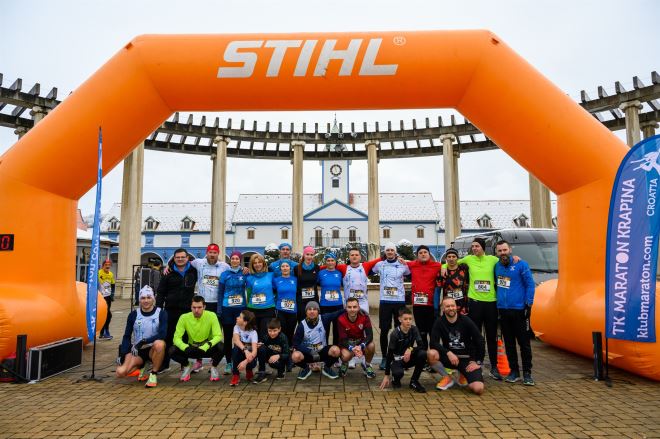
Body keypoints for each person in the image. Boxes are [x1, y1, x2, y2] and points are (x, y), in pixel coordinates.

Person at [443, 237, 502, 380]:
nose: (474, 248)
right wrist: (443, 267)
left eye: (477, 246)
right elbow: (451, 262)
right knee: (475, 335)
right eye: (473, 246)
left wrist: (516, 258)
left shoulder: (492, 259)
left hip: (491, 302)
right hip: (474, 302)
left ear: (483, 247)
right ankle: (476, 362)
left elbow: (506, 260)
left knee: (491, 336)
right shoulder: (469, 259)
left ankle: (494, 367)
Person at [494, 240, 536, 385]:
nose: (502, 253)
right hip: (503, 310)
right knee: (509, 344)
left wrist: (528, 304)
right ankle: (514, 372)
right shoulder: (496, 266)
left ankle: (527, 373)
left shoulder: (521, 264)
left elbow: (530, 284)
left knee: (524, 343)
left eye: (505, 250)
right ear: (496, 252)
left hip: (519, 310)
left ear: (510, 250)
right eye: (500, 251)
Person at [427, 297, 485, 395]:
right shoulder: (439, 322)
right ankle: (447, 378)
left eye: (452, 305)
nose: (451, 308)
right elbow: (433, 343)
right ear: (443, 308)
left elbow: (480, 339)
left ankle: (463, 374)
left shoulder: (466, 320)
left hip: (466, 359)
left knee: (478, 389)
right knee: (431, 353)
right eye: (447, 306)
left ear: (456, 307)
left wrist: (478, 361)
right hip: (450, 358)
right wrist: (448, 353)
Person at [116, 286, 168, 388]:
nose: (146, 301)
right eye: (143, 298)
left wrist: (144, 341)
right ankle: (143, 367)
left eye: (149, 297)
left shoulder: (161, 313)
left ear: (153, 298)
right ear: (139, 300)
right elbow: (126, 336)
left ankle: (153, 374)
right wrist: (122, 354)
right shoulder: (133, 314)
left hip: (153, 349)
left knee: (160, 344)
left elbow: (162, 334)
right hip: (138, 350)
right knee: (120, 372)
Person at [371, 242, 410, 370]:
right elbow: (369, 270)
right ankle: (384, 357)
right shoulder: (380, 264)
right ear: (385, 252)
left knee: (401, 330)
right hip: (385, 301)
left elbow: (411, 273)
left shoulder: (402, 264)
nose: (390, 252)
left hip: (399, 301)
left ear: (395, 252)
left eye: (392, 250)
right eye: (387, 250)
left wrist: (406, 262)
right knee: (384, 330)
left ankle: (400, 357)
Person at [156, 248, 198, 361]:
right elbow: (161, 292)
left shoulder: (194, 271)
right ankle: (165, 363)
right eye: (177, 257)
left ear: (187, 258)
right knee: (168, 336)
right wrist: (158, 309)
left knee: (186, 337)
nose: (180, 259)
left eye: (182, 257)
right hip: (170, 310)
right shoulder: (168, 272)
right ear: (174, 259)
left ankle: (184, 363)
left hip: (187, 310)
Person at [170, 295, 224, 382]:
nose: (196, 310)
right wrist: (185, 347)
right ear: (191, 307)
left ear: (204, 307)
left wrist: (206, 346)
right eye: (194, 307)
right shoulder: (183, 317)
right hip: (191, 348)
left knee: (222, 347)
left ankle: (213, 367)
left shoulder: (212, 315)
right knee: (172, 350)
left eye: (199, 307)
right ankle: (187, 365)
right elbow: (176, 338)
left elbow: (218, 335)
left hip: (206, 348)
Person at [379, 307, 427, 393]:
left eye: (410, 319)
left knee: (423, 354)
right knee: (398, 374)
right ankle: (395, 379)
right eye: (405, 319)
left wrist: (410, 349)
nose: (408, 321)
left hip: (408, 358)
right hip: (397, 360)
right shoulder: (395, 334)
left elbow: (421, 345)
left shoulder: (414, 329)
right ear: (400, 319)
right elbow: (389, 354)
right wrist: (386, 375)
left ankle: (414, 381)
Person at [291, 301, 343, 380]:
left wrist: (351, 310)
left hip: (322, 351)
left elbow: (336, 313)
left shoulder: (324, 318)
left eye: (314, 309)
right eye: (309, 309)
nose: (312, 311)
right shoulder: (302, 325)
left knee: (336, 350)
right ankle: (306, 368)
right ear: (306, 312)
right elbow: (296, 343)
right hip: (308, 354)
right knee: (295, 356)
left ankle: (326, 367)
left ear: (318, 311)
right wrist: (310, 351)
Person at [404, 245, 442, 350]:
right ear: (417, 255)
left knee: (433, 333)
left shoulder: (437, 266)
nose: (423, 254)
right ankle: (424, 355)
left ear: (429, 254)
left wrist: (444, 268)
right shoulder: (412, 265)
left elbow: (450, 265)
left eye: (425, 252)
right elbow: (399, 262)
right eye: (420, 253)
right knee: (421, 334)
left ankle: (434, 355)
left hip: (432, 306)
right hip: (418, 306)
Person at [218, 250, 247, 375]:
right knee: (228, 336)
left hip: (240, 309)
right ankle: (228, 362)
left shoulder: (244, 273)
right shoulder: (224, 274)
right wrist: (219, 309)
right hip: (227, 309)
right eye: (233, 258)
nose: (235, 260)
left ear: (240, 260)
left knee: (240, 337)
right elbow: (220, 293)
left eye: (237, 258)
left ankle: (239, 361)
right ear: (230, 260)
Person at [336, 297, 376, 378]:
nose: (352, 309)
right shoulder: (341, 319)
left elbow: (370, 335)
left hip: (360, 342)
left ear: (358, 307)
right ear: (346, 308)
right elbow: (343, 339)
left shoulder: (364, 317)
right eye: (349, 307)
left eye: (354, 307)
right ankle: (345, 364)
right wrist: (352, 348)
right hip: (348, 343)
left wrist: (361, 346)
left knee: (371, 345)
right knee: (346, 356)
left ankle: (367, 365)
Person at [246, 253, 277, 341]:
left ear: (263, 263)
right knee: (254, 334)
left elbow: (276, 290)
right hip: (253, 310)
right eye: (255, 263)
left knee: (264, 334)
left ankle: (263, 350)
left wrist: (272, 299)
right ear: (252, 265)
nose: (257, 264)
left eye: (259, 262)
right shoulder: (249, 278)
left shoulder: (271, 275)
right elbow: (249, 294)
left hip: (268, 309)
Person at [318, 253, 344, 344]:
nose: (330, 262)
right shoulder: (321, 273)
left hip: (338, 305)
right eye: (328, 260)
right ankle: (325, 349)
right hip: (325, 305)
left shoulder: (339, 273)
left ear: (335, 262)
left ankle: (335, 349)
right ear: (325, 262)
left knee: (337, 330)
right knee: (325, 330)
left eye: (332, 260)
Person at [254, 318, 290, 383]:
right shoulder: (265, 336)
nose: (272, 333)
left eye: (275, 331)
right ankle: (262, 372)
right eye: (270, 331)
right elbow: (261, 346)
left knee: (274, 363)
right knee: (261, 348)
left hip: (280, 358)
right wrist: (258, 345)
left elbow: (287, 354)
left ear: (279, 329)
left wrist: (278, 356)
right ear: (267, 329)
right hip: (269, 356)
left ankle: (281, 370)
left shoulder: (283, 337)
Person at [435, 248, 469, 316]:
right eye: (449, 257)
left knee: (463, 322)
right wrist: (436, 306)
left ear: (457, 258)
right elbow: (437, 290)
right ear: (446, 258)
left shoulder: (464, 269)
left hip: (462, 306)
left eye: (453, 256)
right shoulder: (442, 272)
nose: (451, 259)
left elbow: (468, 285)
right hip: (448, 306)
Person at [272, 261, 298, 347]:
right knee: (282, 331)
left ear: (290, 268)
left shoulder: (295, 279)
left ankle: (290, 348)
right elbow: (272, 291)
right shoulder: (276, 280)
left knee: (291, 331)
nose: (285, 268)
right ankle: (282, 348)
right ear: (280, 269)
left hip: (292, 310)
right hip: (280, 310)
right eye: (283, 266)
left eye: (287, 266)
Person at [230, 310, 259, 386]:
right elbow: (236, 340)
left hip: (250, 358)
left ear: (245, 322)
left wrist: (245, 362)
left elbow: (255, 352)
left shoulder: (253, 332)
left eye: (240, 317)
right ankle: (236, 375)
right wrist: (245, 351)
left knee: (251, 354)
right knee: (235, 349)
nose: (237, 318)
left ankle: (249, 370)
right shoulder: (236, 327)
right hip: (241, 354)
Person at [295, 246, 321, 321]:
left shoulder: (316, 267)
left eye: (311, 255)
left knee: (314, 320)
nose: (309, 257)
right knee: (302, 321)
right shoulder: (297, 268)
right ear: (304, 255)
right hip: (301, 300)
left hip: (313, 299)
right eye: (307, 254)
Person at [98, 259, 116, 340]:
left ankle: (102, 333)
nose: (107, 266)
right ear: (103, 266)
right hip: (101, 297)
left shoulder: (111, 274)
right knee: (107, 315)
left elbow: (113, 284)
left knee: (107, 315)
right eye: (106, 265)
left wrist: (112, 294)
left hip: (108, 297)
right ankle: (105, 332)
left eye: (109, 265)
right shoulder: (99, 273)